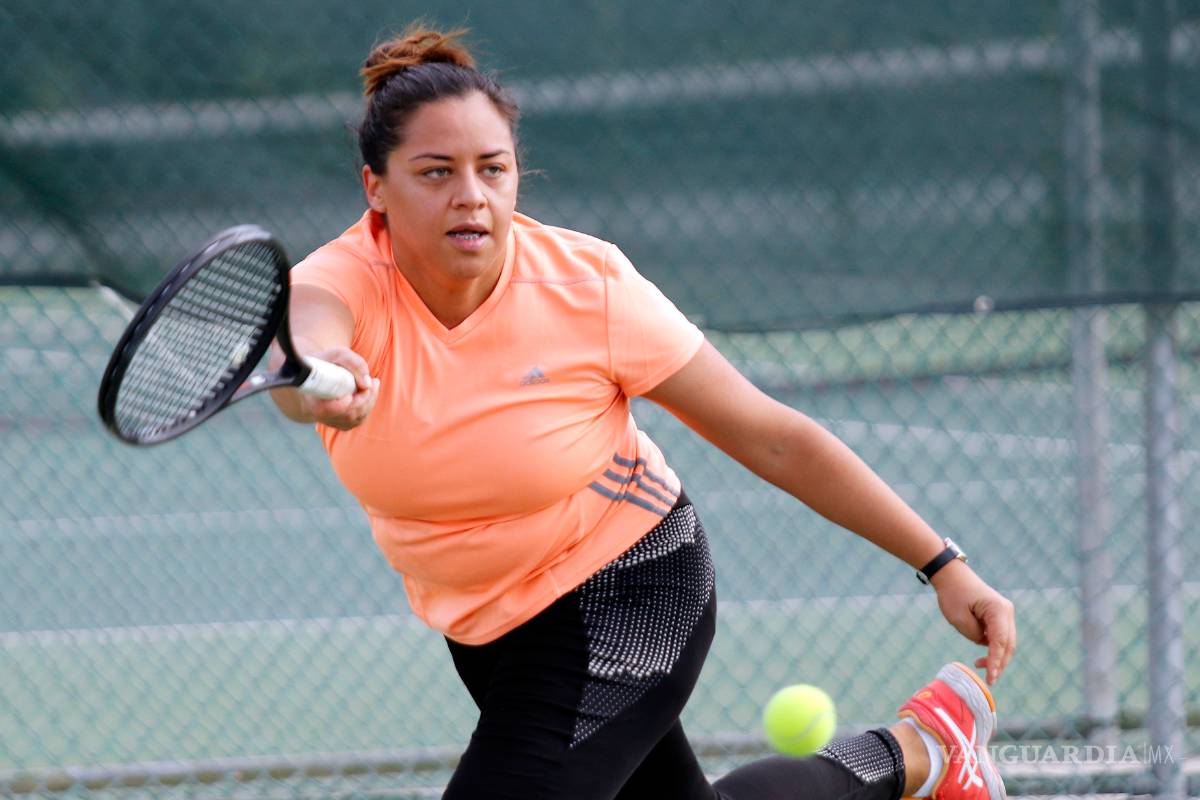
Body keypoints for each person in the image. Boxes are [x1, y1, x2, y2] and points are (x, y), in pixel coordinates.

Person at [269, 23, 1017, 800]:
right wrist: (318, 378)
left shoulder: (587, 287)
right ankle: (922, 752)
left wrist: (942, 564)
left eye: (493, 169)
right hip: (486, 626)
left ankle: (924, 752)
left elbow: (774, 439)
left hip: (630, 584)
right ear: (376, 190)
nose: (471, 195)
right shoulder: (341, 281)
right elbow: (303, 349)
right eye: (435, 172)